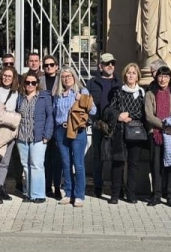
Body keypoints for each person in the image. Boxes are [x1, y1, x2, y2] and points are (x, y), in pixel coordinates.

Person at [144, 65, 171, 207]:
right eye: (160, 76)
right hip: (156, 133)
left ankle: (170, 195)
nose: (163, 79)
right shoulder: (150, 93)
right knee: (155, 166)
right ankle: (156, 195)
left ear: (170, 78)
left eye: (166, 76)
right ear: (156, 77)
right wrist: (164, 126)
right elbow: (149, 116)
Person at [106, 63, 149, 205]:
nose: (131, 75)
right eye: (129, 73)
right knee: (118, 163)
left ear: (138, 76)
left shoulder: (142, 93)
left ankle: (131, 194)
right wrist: (119, 116)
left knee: (133, 164)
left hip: (136, 132)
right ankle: (115, 194)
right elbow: (112, 109)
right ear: (125, 75)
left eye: (133, 73)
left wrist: (129, 114)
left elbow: (143, 112)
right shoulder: (119, 91)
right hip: (120, 131)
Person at [53, 67, 95, 207]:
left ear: (74, 76)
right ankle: (68, 193)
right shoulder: (58, 94)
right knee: (66, 163)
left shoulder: (82, 91)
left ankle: (79, 195)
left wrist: (82, 99)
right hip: (61, 130)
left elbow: (93, 110)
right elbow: (54, 112)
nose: (67, 78)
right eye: (64, 76)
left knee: (78, 163)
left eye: (69, 75)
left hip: (77, 130)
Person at [15, 71, 53, 203]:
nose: (30, 85)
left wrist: (47, 135)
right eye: (27, 82)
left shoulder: (44, 97)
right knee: (25, 166)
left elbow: (50, 116)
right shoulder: (20, 97)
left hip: (38, 137)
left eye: (33, 82)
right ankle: (28, 193)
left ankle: (38, 194)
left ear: (37, 84)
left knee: (36, 165)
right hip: (22, 137)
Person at [0, 66, 21, 204]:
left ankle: (1, 188)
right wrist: (7, 118)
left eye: (9, 76)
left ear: (14, 79)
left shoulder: (16, 93)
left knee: (5, 161)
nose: (7, 78)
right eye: (5, 75)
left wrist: (6, 116)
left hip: (10, 132)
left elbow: (17, 113)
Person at [85, 53, 118, 199]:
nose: (110, 66)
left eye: (112, 63)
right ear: (100, 66)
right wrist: (92, 119)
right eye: (107, 63)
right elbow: (86, 103)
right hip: (98, 124)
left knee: (115, 156)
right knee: (98, 156)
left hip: (115, 125)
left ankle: (115, 188)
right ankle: (98, 187)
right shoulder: (92, 83)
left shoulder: (118, 83)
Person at [41, 55, 62, 196]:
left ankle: (58, 186)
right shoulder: (39, 81)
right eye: (46, 65)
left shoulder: (62, 80)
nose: (49, 67)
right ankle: (47, 186)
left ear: (56, 66)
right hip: (44, 123)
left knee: (58, 157)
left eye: (51, 65)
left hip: (59, 123)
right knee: (46, 158)